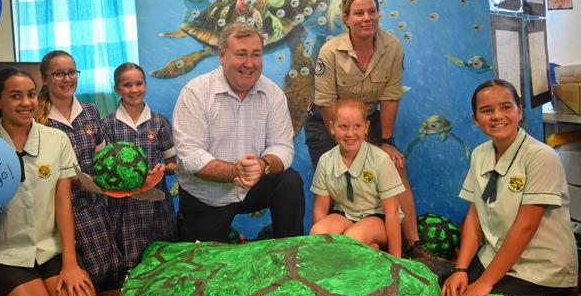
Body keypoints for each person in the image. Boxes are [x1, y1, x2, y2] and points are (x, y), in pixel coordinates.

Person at [305, 0, 427, 257]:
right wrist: (341, 139)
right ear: (346, 18)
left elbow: (390, 96)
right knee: (340, 172)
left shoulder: (392, 47)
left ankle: (413, 245)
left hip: (368, 119)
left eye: (372, 11)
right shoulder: (330, 51)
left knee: (395, 167)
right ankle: (348, 240)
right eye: (359, 13)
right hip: (329, 121)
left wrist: (385, 141)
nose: (367, 18)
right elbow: (326, 103)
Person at [0, 68, 96, 296]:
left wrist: (71, 264)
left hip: (53, 251)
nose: (25, 102)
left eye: (31, 94)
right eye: (15, 96)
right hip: (7, 256)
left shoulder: (57, 140)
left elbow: (63, 204)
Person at [441, 79, 577, 296]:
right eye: (486, 110)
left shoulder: (540, 157)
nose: (497, 116)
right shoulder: (479, 154)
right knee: (449, 294)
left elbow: (525, 227)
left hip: (540, 269)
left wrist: (485, 282)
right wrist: (461, 269)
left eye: (506, 107)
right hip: (494, 255)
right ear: (475, 119)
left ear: (520, 111)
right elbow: (474, 216)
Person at [173, 22, 305, 243]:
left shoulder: (273, 94)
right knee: (202, 270)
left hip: (254, 184)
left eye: (256, 54)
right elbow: (191, 157)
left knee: (289, 181)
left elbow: (282, 147)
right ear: (222, 55)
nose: (249, 63)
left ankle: (290, 252)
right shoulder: (195, 92)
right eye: (241, 54)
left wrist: (263, 166)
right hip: (207, 195)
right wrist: (235, 171)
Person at [35, 50, 122, 290]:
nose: (67, 79)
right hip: (56, 210)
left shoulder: (91, 111)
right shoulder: (36, 118)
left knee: (107, 274)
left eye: (71, 72)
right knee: (75, 280)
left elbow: (102, 159)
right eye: (59, 73)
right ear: (44, 79)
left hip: (94, 207)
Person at [100, 62, 178, 275]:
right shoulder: (107, 125)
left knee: (163, 263)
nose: (134, 90)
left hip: (156, 205)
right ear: (117, 89)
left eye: (139, 83)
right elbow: (103, 169)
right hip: (124, 208)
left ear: (145, 84)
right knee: (131, 266)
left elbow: (173, 163)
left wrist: (165, 168)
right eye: (127, 85)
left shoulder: (159, 122)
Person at [310, 98, 403, 257]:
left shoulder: (380, 160)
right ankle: (370, 249)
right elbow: (320, 209)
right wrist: (320, 252)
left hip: (377, 218)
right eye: (343, 127)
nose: (350, 133)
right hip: (345, 214)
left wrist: (397, 262)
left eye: (357, 126)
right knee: (318, 232)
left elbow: (392, 214)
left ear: (366, 127)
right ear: (332, 127)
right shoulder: (326, 160)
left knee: (353, 239)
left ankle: (372, 248)